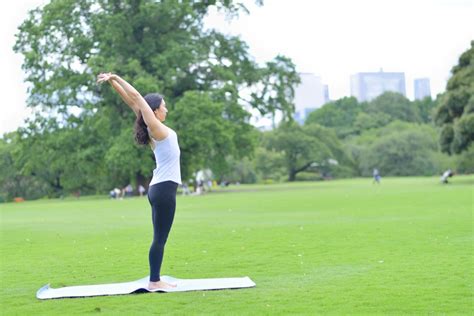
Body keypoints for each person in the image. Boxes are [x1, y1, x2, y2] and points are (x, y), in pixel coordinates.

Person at [97, 72, 181, 290]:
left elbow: (131, 101)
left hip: (158, 188)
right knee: (160, 239)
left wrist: (113, 82)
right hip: (164, 191)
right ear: (154, 111)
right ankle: (155, 281)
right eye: (164, 106)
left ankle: (155, 278)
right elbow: (136, 97)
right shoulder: (157, 128)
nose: (167, 109)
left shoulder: (152, 126)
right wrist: (116, 76)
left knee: (158, 238)